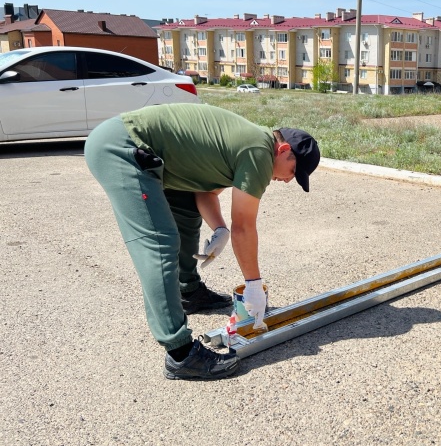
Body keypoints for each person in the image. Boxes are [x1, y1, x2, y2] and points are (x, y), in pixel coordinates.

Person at [84, 103, 320, 380]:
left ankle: (188, 291)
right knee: (159, 243)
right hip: (123, 149)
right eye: (294, 171)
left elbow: (205, 192)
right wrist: (253, 285)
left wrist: (220, 228)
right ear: (283, 150)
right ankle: (180, 354)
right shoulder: (260, 151)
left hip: (148, 152)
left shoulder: (250, 146)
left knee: (185, 210)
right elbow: (244, 226)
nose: (289, 180)